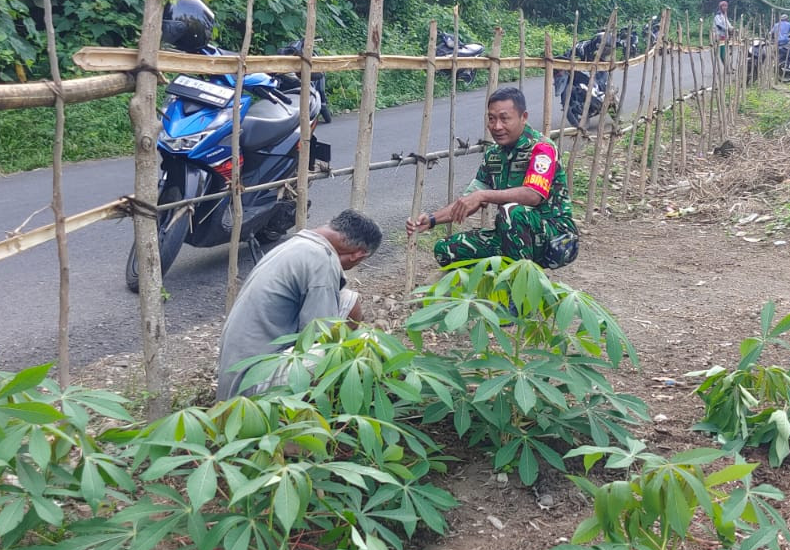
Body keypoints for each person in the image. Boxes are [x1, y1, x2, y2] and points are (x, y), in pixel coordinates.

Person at [215, 209, 382, 400]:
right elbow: (320, 338)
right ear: (358, 254)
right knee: (357, 347)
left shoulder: (299, 243)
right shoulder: (322, 261)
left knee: (348, 299)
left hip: (237, 367)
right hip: (252, 382)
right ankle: (323, 408)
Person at [405, 85, 578, 269]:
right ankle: (493, 286)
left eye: (505, 119)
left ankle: (519, 289)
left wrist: (484, 196)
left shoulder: (542, 148)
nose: (497, 126)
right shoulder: (493, 155)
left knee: (512, 212)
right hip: (513, 236)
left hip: (556, 237)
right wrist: (431, 220)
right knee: (446, 249)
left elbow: (533, 195)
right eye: (491, 119)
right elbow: (470, 198)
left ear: (523, 117)